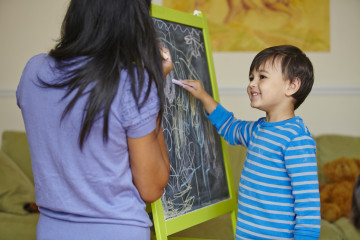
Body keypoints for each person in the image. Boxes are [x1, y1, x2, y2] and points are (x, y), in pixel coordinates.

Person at [16, 0, 172, 239]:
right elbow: (152, 187)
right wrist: (153, 88)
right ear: (134, 21)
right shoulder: (134, 83)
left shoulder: (33, 71)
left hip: (51, 231)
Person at [179, 45, 321, 239]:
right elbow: (229, 126)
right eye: (251, 78)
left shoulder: (296, 139)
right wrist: (203, 96)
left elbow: (308, 206)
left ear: (292, 86)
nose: (252, 84)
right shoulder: (257, 130)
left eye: (262, 77)